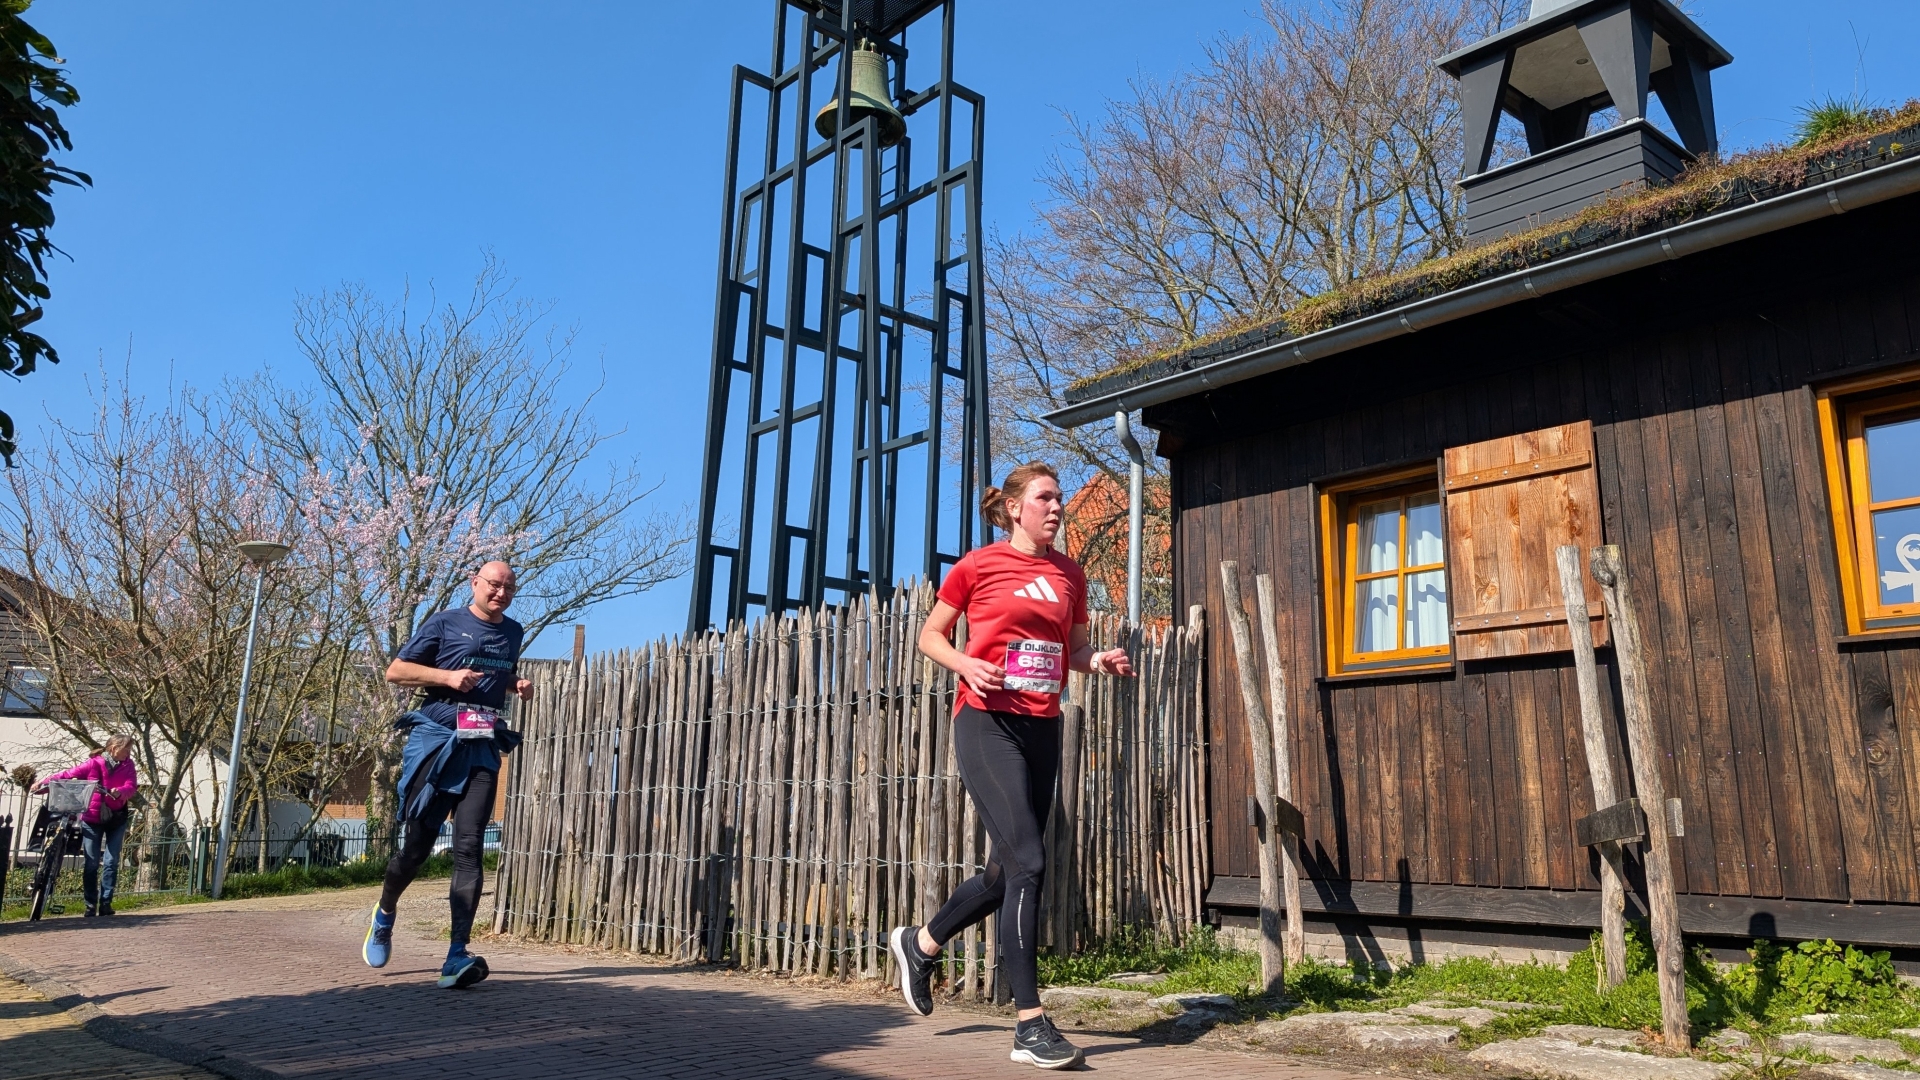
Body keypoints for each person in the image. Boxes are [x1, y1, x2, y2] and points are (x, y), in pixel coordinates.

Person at [889, 462, 1135, 1070]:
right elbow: (931, 636)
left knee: (1006, 874)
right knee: (1030, 860)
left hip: (1042, 726)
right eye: (1045, 499)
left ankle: (919, 945)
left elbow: (1070, 650)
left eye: (1059, 500)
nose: (1056, 508)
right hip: (985, 720)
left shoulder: (1070, 574)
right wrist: (965, 665)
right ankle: (1029, 1023)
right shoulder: (979, 565)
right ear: (1017, 508)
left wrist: (1095, 661)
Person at [364, 560, 532, 989]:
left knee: (470, 847)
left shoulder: (513, 631)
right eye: (494, 585)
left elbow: (495, 673)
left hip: (481, 746)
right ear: (475, 583)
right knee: (416, 850)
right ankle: (384, 915)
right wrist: (446, 677)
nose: (501, 594)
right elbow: (396, 671)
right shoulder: (444, 622)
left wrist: (515, 684)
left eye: (509, 588)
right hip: (438, 742)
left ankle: (456, 953)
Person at [35, 734, 139, 917]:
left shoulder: (128, 765)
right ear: (114, 748)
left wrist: (120, 791)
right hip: (92, 817)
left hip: (117, 817)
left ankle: (106, 903)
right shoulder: (94, 763)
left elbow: (132, 785)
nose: (129, 753)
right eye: (126, 749)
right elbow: (68, 774)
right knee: (91, 863)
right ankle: (90, 904)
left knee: (111, 862)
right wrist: (43, 783)